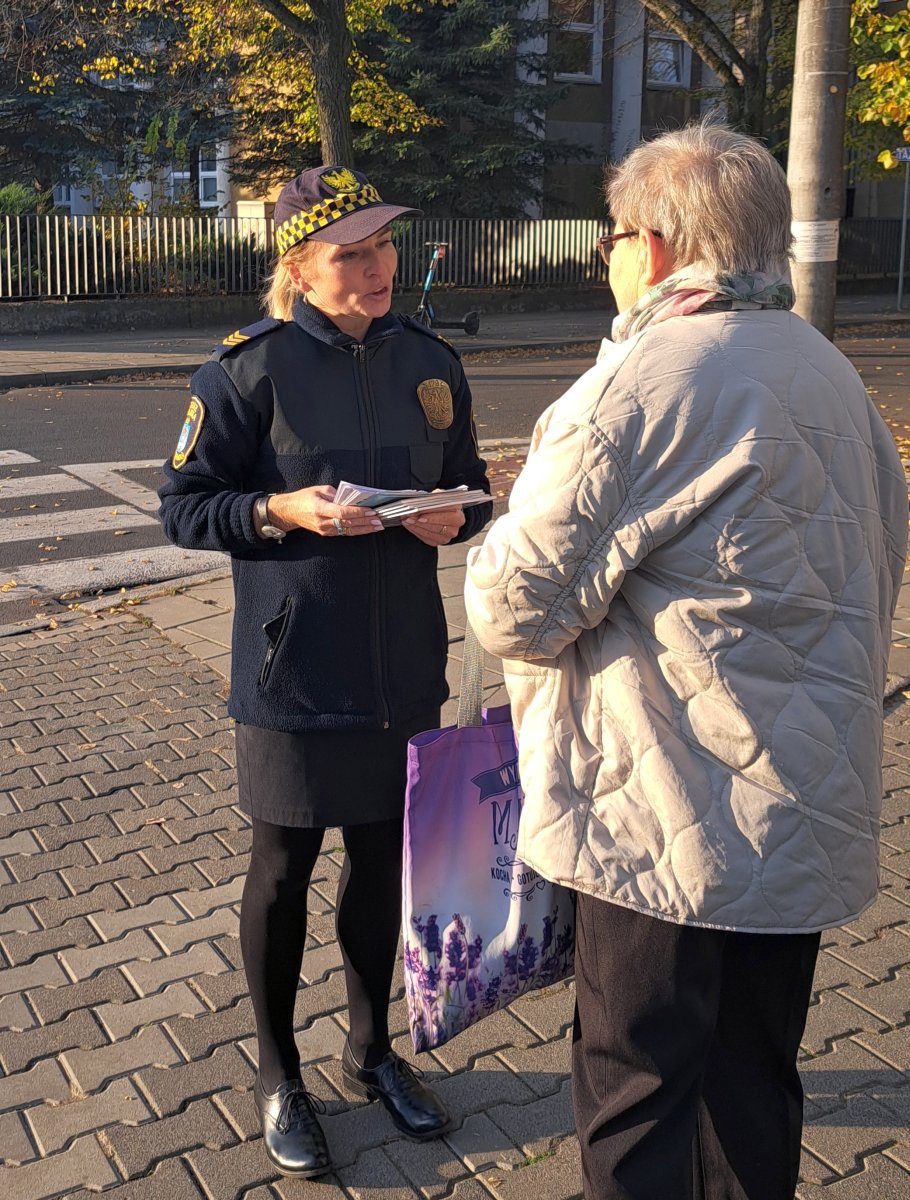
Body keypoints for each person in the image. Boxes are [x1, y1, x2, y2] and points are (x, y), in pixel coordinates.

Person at [464, 124, 908, 1200]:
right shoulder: (830, 372)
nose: (608, 258)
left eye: (614, 236)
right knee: (753, 1087)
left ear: (654, 246)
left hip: (661, 807)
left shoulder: (644, 375)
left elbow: (514, 607)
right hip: (799, 799)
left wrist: (513, 511)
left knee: (635, 1095)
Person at [158, 164, 492, 1179]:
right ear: (301, 267)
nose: (376, 267)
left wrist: (461, 513)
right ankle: (277, 1073)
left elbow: (473, 485)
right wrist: (277, 512)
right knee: (283, 872)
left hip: (401, 669)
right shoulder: (242, 373)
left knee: (381, 866)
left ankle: (370, 1050)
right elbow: (181, 508)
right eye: (351, 254)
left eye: (384, 246)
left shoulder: (429, 361)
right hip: (293, 670)